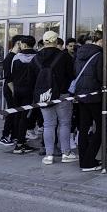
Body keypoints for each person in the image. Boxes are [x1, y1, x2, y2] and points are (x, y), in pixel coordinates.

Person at [34, 31, 77, 165]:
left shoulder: (36, 57)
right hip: (62, 95)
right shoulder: (64, 56)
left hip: (44, 95)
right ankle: (66, 153)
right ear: (56, 40)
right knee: (64, 123)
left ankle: (49, 156)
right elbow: (72, 75)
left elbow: (33, 78)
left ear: (44, 41)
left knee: (48, 125)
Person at [74, 31, 107, 172]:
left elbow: (75, 72)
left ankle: (84, 161)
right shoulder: (99, 55)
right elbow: (101, 77)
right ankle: (89, 161)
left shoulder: (79, 53)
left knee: (83, 128)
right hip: (95, 96)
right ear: (100, 40)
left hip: (81, 95)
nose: (106, 44)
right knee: (101, 128)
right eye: (105, 41)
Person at [10, 36, 39, 155]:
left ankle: (17, 139)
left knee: (18, 114)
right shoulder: (37, 58)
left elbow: (12, 74)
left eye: (21, 44)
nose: (20, 46)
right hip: (31, 91)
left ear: (25, 45)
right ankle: (21, 143)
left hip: (17, 90)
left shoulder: (16, 58)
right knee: (26, 116)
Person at [0, 35, 22, 146]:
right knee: (11, 112)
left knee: (16, 113)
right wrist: (13, 91)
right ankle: (5, 136)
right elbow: (8, 77)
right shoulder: (9, 58)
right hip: (10, 89)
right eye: (21, 43)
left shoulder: (18, 56)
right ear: (17, 44)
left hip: (15, 89)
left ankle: (14, 136)